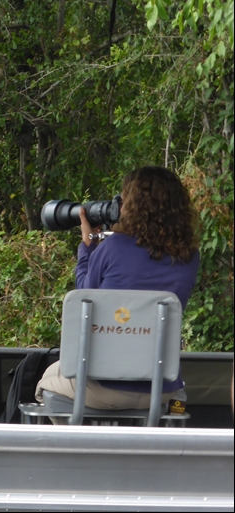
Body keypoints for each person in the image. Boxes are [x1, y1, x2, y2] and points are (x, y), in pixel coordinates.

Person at [36, 165, 200, 410]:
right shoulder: (190, 255)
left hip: (104, 384)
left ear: (132, 205)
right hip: (161, 389)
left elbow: (83, 294)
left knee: (45, 382)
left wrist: (87, 247)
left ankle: (82, 435)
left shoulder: (112, 247)